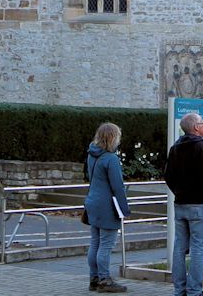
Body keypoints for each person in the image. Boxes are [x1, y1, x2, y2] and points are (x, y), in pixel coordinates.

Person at [164, 111, 203, 296]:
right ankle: (194, 290)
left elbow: (168, 175)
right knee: (197, 248)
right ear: (196, 127)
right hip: (199, 204)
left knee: (179, 247)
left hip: (181, 204)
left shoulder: (175, 147)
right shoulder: (201, 147)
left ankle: (179, 290)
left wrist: (179, 192)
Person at [85, 121, 132, 293]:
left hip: (92, 202)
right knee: (106, 245)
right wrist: (125, 209)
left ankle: (94, 278)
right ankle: (105, 279)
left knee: (95, 242)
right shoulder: (111, 159)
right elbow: (117, 186)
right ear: (113, 138)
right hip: (107, 206)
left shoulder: (92, 154)